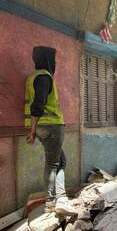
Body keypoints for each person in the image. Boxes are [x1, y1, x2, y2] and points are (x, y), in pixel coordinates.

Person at [25, 46, 77, 215]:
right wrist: (32, 129)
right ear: (47, 60)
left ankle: (59, 198)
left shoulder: (32, 77)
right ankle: (53, 202)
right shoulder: (44, 77)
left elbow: (35, 105)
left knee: (60, 161)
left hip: (42, 127)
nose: (54, 64)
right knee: (53, 163)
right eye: (52, 60)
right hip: (51, 126)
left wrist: (34, 129)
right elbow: (38, 106)